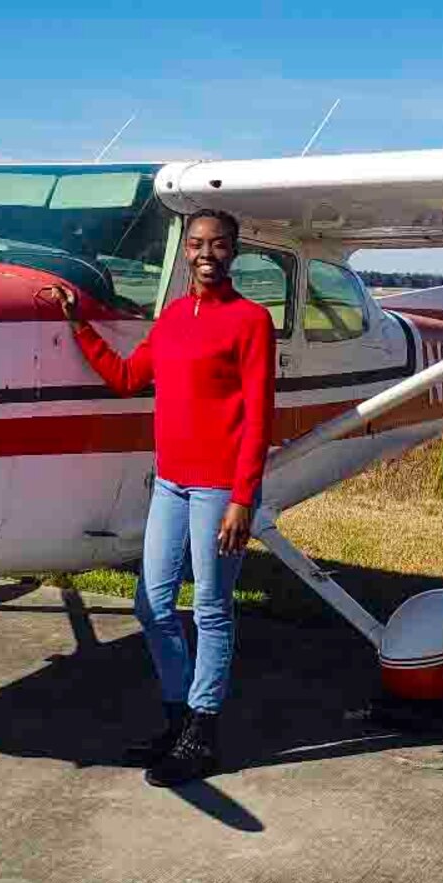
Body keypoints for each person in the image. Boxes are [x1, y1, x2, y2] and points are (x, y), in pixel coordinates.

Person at [47, 209, 275, 787]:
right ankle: (178, 720)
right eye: (197, 244)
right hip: (170, 484)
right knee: (151, 607)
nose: (206, 254)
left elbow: (258, 418)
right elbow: (126, 378)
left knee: (212, 610)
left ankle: (203, 733)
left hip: (219, 488)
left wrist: (242, 499)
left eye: (218, 245)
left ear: (234, 252)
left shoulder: (250, 322)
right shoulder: (174, 317)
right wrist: (79, 324)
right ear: (186, 253)